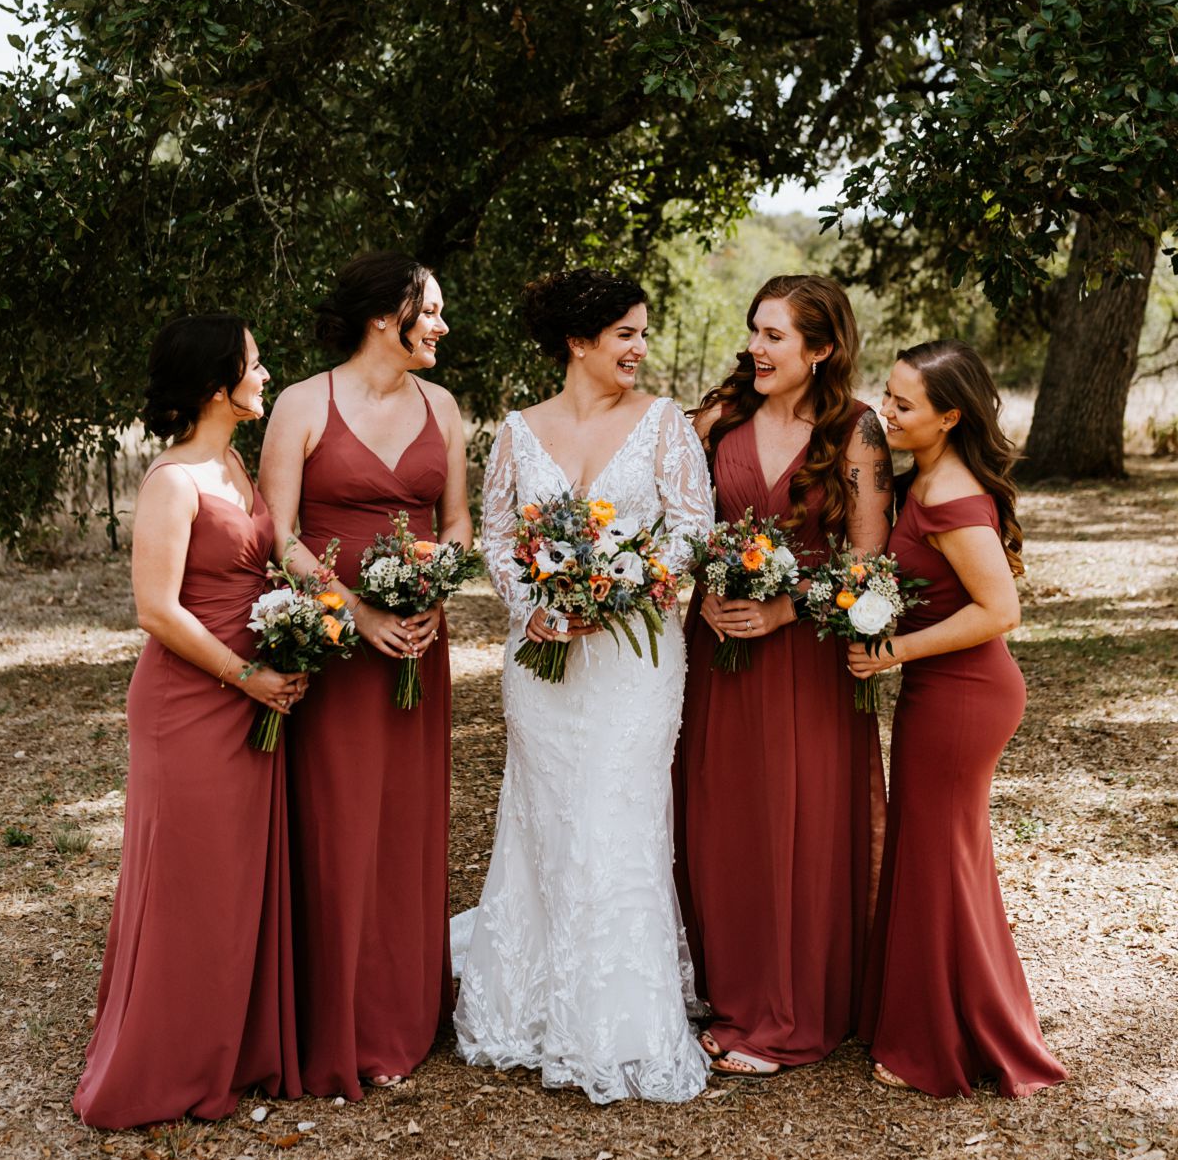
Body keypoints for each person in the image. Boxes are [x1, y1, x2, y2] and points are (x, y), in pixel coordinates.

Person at [454, 268, 715, 1104]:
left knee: (616, 812)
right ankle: (529, 1009)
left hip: (636, 659)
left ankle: (622, 1025)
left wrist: (627, 591)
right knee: (547, 815)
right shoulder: (516, 433)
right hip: (544, 660)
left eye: (643, 333)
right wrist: (534, 605)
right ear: (578, 342)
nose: (641, 348)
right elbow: (498, 535)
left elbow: (690, 530)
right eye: (626, 334)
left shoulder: (666, 424)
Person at [73, 315, 305, 1129]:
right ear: (217, 385)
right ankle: (163, 1062)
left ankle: (231, 1047)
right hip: (191, 702)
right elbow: (155, 609)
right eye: (254, 363)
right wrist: (248, 674)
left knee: (238, 878)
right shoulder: (173, 482)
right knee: (188, 883)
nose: (267, 372)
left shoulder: (234, 463)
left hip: (256, 689)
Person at [259, 252, 471, 1096]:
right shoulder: (302, 404)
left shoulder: (444, 407)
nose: (442, 326)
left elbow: (455, 521)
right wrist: (356, 609)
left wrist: (436, 586)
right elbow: (279, 535)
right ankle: (334, 1017)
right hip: (337, 643)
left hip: (419, 638)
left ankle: (401, 1014)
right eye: (432, 311)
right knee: (340, 822)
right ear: (387, 314)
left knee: (407, 822)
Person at [674, 275, 891, 1079]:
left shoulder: (858, 433)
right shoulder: (718, 421)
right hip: (720, 654)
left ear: (822, 348)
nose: (757, 348)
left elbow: (865, 560)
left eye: (776, 336)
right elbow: (680, 527)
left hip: (804, 659)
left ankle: (792, 1010)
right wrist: (701, 593)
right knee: (722, 816)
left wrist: (786, 609)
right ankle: (735, 993)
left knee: (798, 821)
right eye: (754, 331)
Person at [851, 340, 1066, 1098]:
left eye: (904, 404)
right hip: (941, 689)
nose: (887, 410)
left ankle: (939, 1044)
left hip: (966, 693)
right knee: (935, 852)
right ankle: (926, 1017)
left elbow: (1000, 608)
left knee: (942, 859)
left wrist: (896, 647)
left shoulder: (950, 496)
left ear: (950, 415)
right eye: (887, 392)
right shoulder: (927, 479)